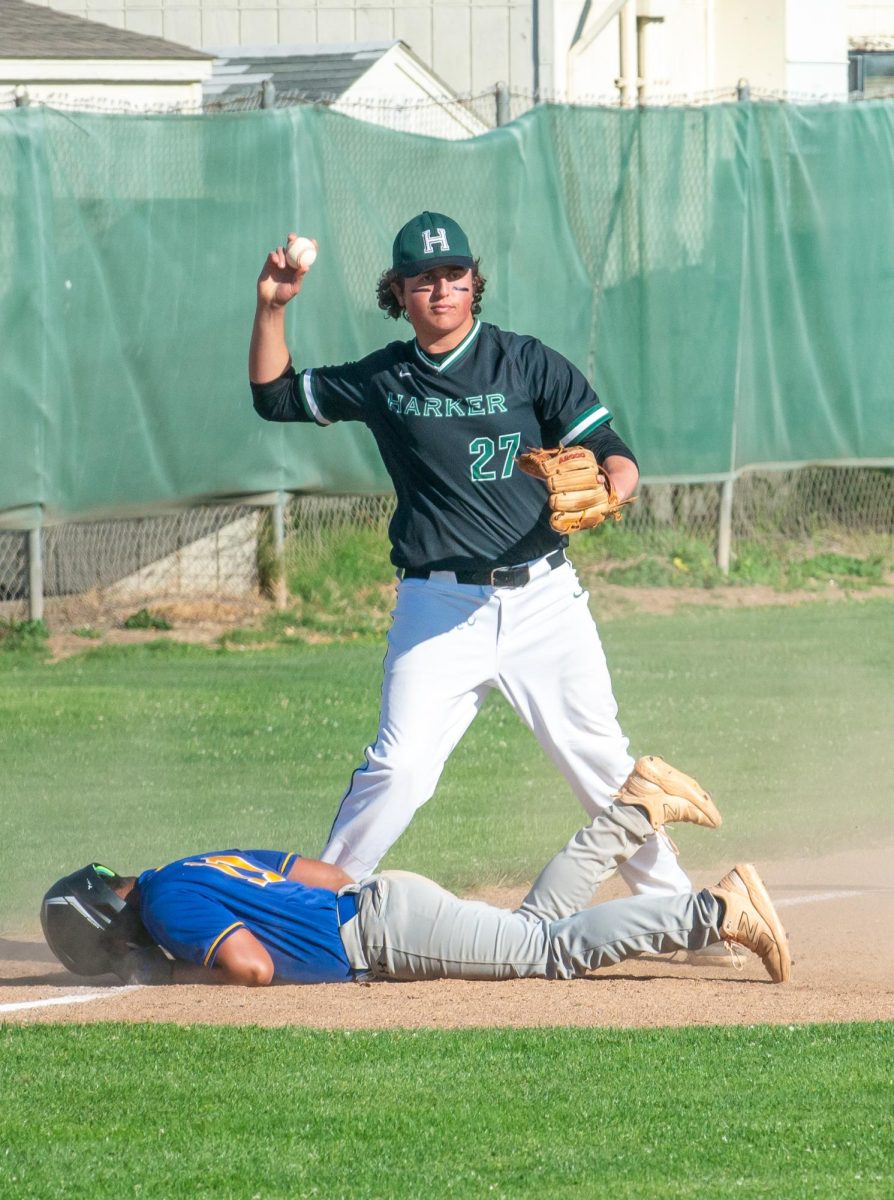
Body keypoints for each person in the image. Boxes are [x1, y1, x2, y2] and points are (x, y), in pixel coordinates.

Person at [249, 212, 682, 894]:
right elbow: (275, 398)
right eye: (424, 279)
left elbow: (612, 452)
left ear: (474, 281)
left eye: (454, 274)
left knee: (601, 764)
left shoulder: (526, 361)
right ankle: (319, 905)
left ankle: (676, 909)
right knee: (399, 767)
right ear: (399, 292)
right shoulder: (386, 379)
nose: (442, 288)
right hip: (438, 604)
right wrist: (270, 308)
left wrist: (612, 491)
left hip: (545, 603)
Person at [40, 758, 791, 987]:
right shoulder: (189, 867)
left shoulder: (168, 904)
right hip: (384, 903)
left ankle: (714, 912)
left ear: (109, 925)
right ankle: (636, 808)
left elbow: (252, 969)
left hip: (383, 936)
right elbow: (323, 874)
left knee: (550, 952)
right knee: (534, 930)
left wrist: (169, 976)